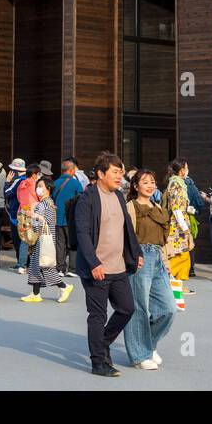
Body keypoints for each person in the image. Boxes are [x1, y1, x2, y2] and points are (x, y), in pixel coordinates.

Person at [74, 153, 143, 377]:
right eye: (115, 171)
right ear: (101, 174)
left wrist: (136, 252)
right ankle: (98, 362)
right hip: (97, 269)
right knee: (97, 315)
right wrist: (93, 262)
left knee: (127, 308)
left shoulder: (119, 197)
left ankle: (102, 342)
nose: (119, 176)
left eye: (121, 172)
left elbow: (127, 229)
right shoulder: (88, 198)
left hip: (118, 266)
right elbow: (83, 233)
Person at [123, 169, 174, 370]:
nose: (150, 185)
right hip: (140, 257)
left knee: (168, 309)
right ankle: (139, 355)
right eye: (145, 182)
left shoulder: (158, 208)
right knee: (139, 307)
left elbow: (164, 238)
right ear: (135, 186)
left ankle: (148, 345)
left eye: (152, 182)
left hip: (158, 259)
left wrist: (167, 261)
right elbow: (125, 237)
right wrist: (133, 257)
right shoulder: (130, 207)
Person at [21, 177, 73, 303]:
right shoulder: (46, 203)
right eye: (38, 186)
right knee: (35, 266)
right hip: (42, 238)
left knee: (46, 267)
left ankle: (64, 287)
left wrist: (33, 215)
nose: (38, 189)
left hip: (44, 238)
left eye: (41, 186)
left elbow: (47, 221)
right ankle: (35, 293)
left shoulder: (47, 203)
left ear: (48, 188)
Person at [163, 160, 195, 292]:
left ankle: (177, 284)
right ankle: (167, 280)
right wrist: (186, 230)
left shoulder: (179, 184)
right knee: (180, 256)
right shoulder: (176, 185)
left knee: (182, 255)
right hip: (177, 228)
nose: (188, 170)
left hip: (179, 225)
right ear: (182, 170)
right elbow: (176, 209)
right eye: (186, 168)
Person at [52, 158, 83, 277]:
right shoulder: (75, 183)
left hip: (58, 218)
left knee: (60, 244)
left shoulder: (55, 183)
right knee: (72, 243)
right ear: (71, 170)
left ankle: (60, 268)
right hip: (71, 219)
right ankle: (72, 269)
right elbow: (81, 199)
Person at [4, 159, 27, 270]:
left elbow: (7, 192)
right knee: (26, 238)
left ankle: (20, 262)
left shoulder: (18, 181)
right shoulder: (28, 179)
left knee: (17, 239)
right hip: (26, 212)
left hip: (15, 213)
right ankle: (25, 262)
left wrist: (7, 181)